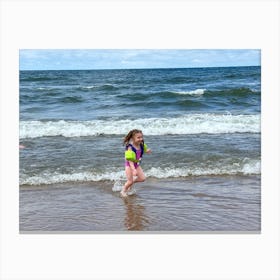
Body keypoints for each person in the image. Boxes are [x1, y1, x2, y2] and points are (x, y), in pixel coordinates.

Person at [121, 129, 151, 198]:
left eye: (141, 137)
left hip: (136, 164)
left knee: (142, 178)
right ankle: (123, 190)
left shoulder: (141, 144)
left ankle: (130, 183)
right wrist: (133, 169)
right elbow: (130, 160)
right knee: (130, 181)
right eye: (138, 137)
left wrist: (147, 150)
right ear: (133, 138)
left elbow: (145, 149)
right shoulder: (130, 147)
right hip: (129, 165)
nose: (141, 139)